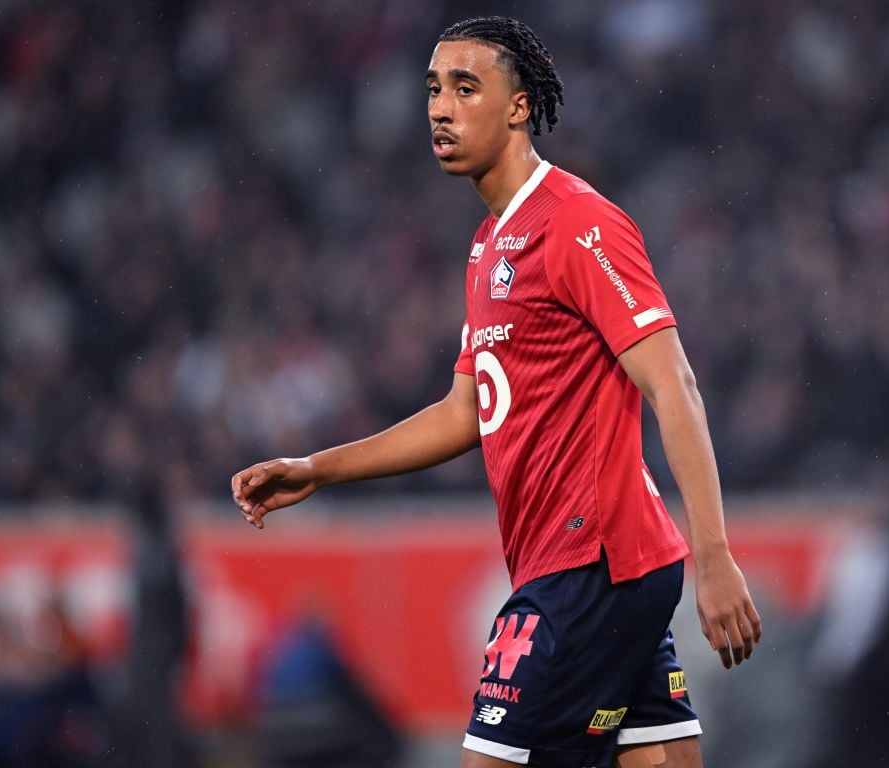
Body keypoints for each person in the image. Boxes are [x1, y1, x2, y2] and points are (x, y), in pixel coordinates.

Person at [232, 16, 761, 768]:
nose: (439, 109)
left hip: (588, 566)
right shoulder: (489, 248)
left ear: (518, 107)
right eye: (433, 89)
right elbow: (464, 412)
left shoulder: (576, 222)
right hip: (609, 569)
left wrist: (716, 557)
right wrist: (317, 469)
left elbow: (673, 382)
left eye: (465, 87)